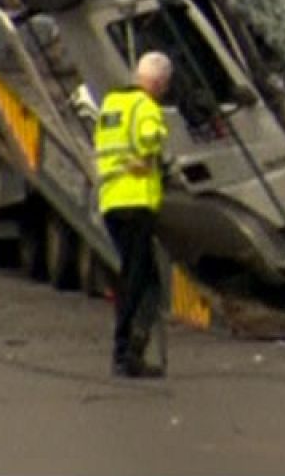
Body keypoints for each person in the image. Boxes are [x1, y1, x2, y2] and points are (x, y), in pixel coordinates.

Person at [96, 51, 173, 378]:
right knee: (142, 282)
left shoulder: (112, 104)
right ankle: (127, 351)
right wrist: (158, 152)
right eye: (165, 86)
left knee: (138, 277)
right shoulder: (146, 107)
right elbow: (148, 138)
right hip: (136, 201)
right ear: (157, 83)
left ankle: (128, 349)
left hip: (112, 202)